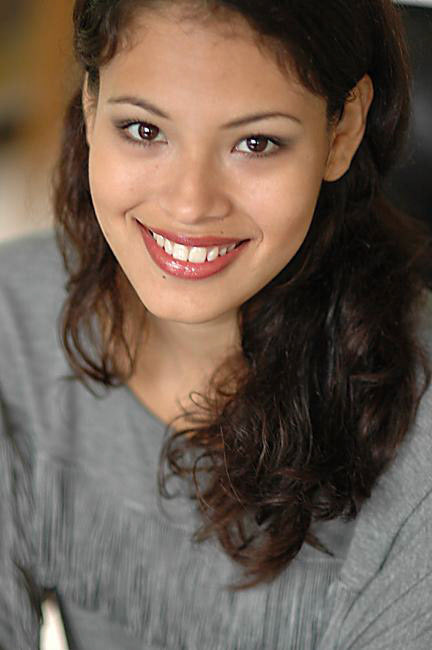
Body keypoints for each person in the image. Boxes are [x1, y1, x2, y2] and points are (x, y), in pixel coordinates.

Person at [0, 0, 431, 648]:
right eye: (144, 129)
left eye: (256, 143)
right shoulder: (12, 321)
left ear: (342, 131)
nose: (189, 204)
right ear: (91, 106)